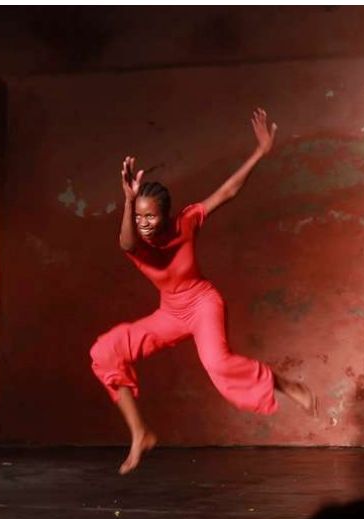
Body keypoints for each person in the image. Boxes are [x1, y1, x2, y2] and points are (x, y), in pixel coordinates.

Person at [89, 108, 316, 475]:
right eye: (139, 217)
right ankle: (140, 433)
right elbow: (125, 241)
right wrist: (129, 201)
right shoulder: (137, 244)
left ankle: (287, 385)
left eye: (150, 217)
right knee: (105, 351)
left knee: (218, 364)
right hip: (170, 312)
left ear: (166, 215)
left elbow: (227, 191)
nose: (144, 224)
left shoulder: (187, 221)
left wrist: (260, 153)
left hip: (203, 302)